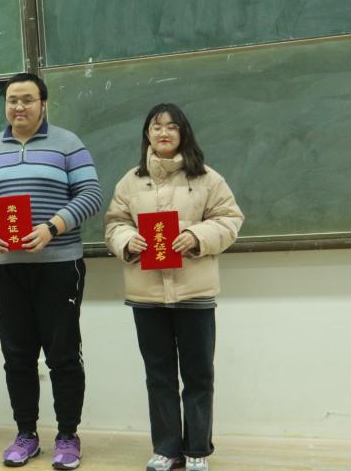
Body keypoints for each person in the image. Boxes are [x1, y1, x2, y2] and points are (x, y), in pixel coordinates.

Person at [0, 72, 102, 470]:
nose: (18, 107)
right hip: (8, 269)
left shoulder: (68, 144)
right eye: (12, 100)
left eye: (27, 99)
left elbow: (91, 194)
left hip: (59, 266)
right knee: (17, 357)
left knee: (63, 356)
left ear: (43, 104)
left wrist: (52, 227)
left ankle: (68, 435)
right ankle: (26, 434)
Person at [104, 103, 244, 471]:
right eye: (156, 127)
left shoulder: (207, 178)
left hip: (194, 293)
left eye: (171, 127)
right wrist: (127, 240)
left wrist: (196, 236)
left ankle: (196, 450)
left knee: (198, 375)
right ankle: (166, 449)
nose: (163, 133)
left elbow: (230, 219)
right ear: (147, 135)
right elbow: (114, 223)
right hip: (146, 295)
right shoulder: (130, 181)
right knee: (159, 376)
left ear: (183, 133)